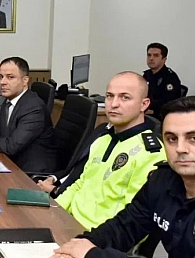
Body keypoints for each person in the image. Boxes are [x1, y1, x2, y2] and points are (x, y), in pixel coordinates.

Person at [45, 96, 195, 258]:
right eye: (171, 139)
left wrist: (95, 257)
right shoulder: (164, 179)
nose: (180, 148)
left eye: (194, 138)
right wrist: (81, 245)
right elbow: (124, 226)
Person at [37, 72, 166, 230]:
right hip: (69, 222)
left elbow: (136, 220)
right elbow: (80, 184)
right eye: (110, 96)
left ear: (144, 104)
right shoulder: (103, 139)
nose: (114, 104)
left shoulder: (151, 154)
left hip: (98, 236)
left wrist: (87, 239)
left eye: (125, 97)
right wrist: (54, 213)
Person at [142, 42, 181, 118]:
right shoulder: (147, 75)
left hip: (160, 117)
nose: (151, 58)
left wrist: (151, 111)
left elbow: (169, 104)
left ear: (164, 59)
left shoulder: (170, 78)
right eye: (149, 55)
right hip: (145, 112)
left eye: (156, 55)